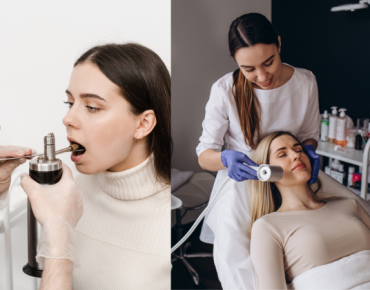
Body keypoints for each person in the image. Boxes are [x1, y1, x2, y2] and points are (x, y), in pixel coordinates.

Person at [15, 43, 171, 290]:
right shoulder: (69, 192)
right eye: (69, 103)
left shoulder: (172, 225)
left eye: (92, 107)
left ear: (143, 124)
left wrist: (58, 232)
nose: (68, 119)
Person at [196, 13, 321, 288]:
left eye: (269, 62)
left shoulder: (305, 81)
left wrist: (308, 151)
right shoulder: (225, 90)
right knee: (238, 261)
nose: (262, 76)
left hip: (291, 179)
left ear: (278, 44)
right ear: (235, 61)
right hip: (243, 182)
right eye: (248, 69)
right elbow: (205, 155)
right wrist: (226, 159)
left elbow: (310, 135)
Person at [249, 131, 370, 289]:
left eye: (299, 150)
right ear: (267, 172)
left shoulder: (350, 205)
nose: (296, 155)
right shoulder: (267, 227)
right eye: (282, 154)